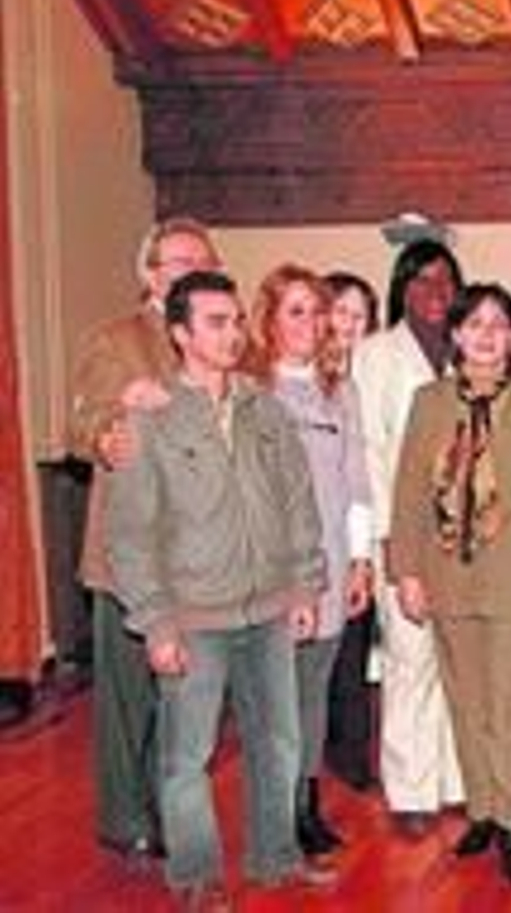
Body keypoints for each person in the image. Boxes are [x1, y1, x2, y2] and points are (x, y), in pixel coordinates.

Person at [106, 271, 332, 907]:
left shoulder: (267, 409)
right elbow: (130, 533)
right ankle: (198, 878)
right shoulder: (148, 420)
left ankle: (275, 856)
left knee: (280, 743)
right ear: (179, 333)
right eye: (216, 322)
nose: (233, 334)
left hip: (269, 608)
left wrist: (305, 587)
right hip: (192, 618)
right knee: (186, 760)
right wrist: (156, 623)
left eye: (236, 321)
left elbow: (298, 502)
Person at [388, 283, 511, 883]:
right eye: (475, 325)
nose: (487, 335)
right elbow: (409, 492)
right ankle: (484, 810)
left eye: (499, 325)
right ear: (458, 335)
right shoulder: (427, 402)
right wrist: (407, 571)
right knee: (465, 701)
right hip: (446, 573)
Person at [68, 216, 222, 865]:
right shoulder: (116, 339)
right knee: (129, 702)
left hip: (201, 558)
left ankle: (174, 812)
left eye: (200, 259)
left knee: (186, 699)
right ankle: (124, 819)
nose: (189, 268)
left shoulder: (220, 338)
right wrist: (111, 431)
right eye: (176, 260)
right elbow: (84, 425)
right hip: (129, 559)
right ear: (150, 274)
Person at [244, 265, 375, 858]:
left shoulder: (339, 392)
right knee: (272, 699)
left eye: (317, 311)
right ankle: (273, 814)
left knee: (312, 695)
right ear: (269, 319)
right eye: (295, 310)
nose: (309, 323)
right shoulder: (250, 392)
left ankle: (305, 804)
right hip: (268, 574)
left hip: (330, 566)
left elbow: (356, 485)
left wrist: (360, 563)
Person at [351, 240, 465, 835]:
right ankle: (410, 791)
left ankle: (450, 780)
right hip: (405, 535)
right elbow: (369, 451)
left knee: (455, 663)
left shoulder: (466, 351)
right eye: (421, 280)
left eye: (446, 280)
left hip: (464, 538)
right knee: (410, 660)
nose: (435, 291)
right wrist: (388, 540)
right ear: (401, 287)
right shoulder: (375, 355)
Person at [321, 270, 383, 793]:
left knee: (356, 648)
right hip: (316, 535)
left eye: (360, 315)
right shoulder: (295, 380)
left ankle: (352, 751)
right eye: (341, 311)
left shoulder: (370, 375)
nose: (349, 324)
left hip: (365, 529)